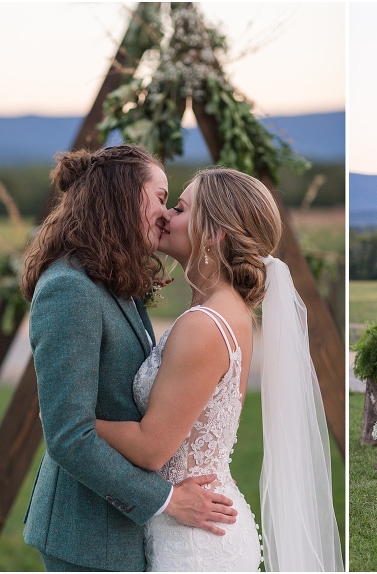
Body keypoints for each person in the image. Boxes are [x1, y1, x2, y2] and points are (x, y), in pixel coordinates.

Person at [95, 168, 343, 571]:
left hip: (194, 545)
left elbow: (151, 447)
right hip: (197, 524)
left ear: (214, 234)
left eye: (178, 208)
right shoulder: (229, 311)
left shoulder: (204, 325)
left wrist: (76, 423)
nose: (164, 216)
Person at [20, 146, 237, 572]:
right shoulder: (70, 289)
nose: (164, 213)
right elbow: (69, 437)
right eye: (160, 197)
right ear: (123, 196)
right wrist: (169, 499)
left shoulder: (112, 279)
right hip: (86, 535)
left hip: (122, 530)